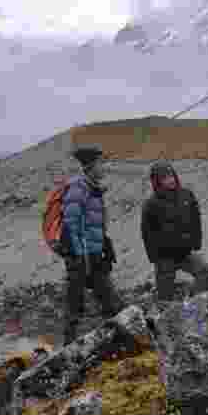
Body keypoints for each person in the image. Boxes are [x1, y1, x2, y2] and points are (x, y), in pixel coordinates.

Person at [61, 143, 123, 344]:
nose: (104, 167)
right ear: (90, 166)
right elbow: (71, 222)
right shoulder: (79, 187)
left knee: (109, 299)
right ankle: (68, 345)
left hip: (94, 254)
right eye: (101, 163)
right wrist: (80, 255)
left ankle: (119, 337)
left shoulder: (93, 188)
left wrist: (103, 245)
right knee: (75, 301)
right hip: (79, 255)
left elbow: (93, 224)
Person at [141, 160, 208, 301]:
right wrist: (154, 257)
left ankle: (196, 303)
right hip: (164, 257)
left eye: (171, 176)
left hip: (185, 253)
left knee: (204, 269)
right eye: (165, 178)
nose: (170, 180)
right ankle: (163, 314)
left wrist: (196, 243)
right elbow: (146, 233)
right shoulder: (151, 204)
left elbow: (195, 220)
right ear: (157, 181)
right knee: (165, 297)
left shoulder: (187, 195)